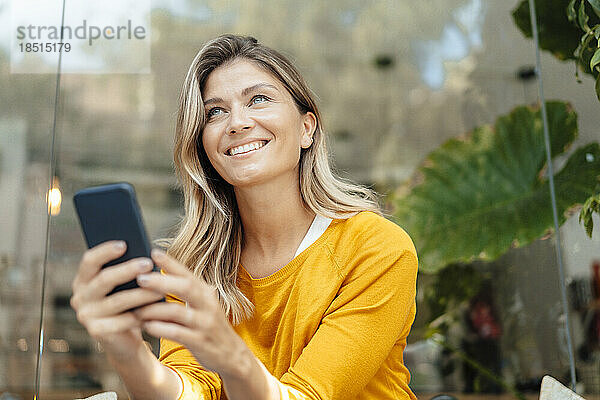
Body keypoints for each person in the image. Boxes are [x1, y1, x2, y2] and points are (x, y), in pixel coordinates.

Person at [70, 34, 418, 400]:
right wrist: (126, 351)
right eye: (214, 112)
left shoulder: (377, 249)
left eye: (259, 99)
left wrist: (232, 357)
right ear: (203, 144)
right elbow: (191, 392)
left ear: (306, 128)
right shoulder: (191, 266)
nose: (236, 123)